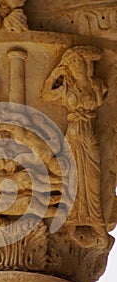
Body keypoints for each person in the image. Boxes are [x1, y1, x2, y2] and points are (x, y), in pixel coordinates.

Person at [43, 46, 108, 227]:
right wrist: (55, 74)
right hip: (73, 133)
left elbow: (101, 100)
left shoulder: (96, 84)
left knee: (93, 174)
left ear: (86, 64)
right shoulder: (67, 88)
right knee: (72, 174)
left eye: (78, 62)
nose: (75, 66)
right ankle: (74, 215)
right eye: (71, 63)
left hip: (89, 132)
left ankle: (94, 215)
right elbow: (46, 95)